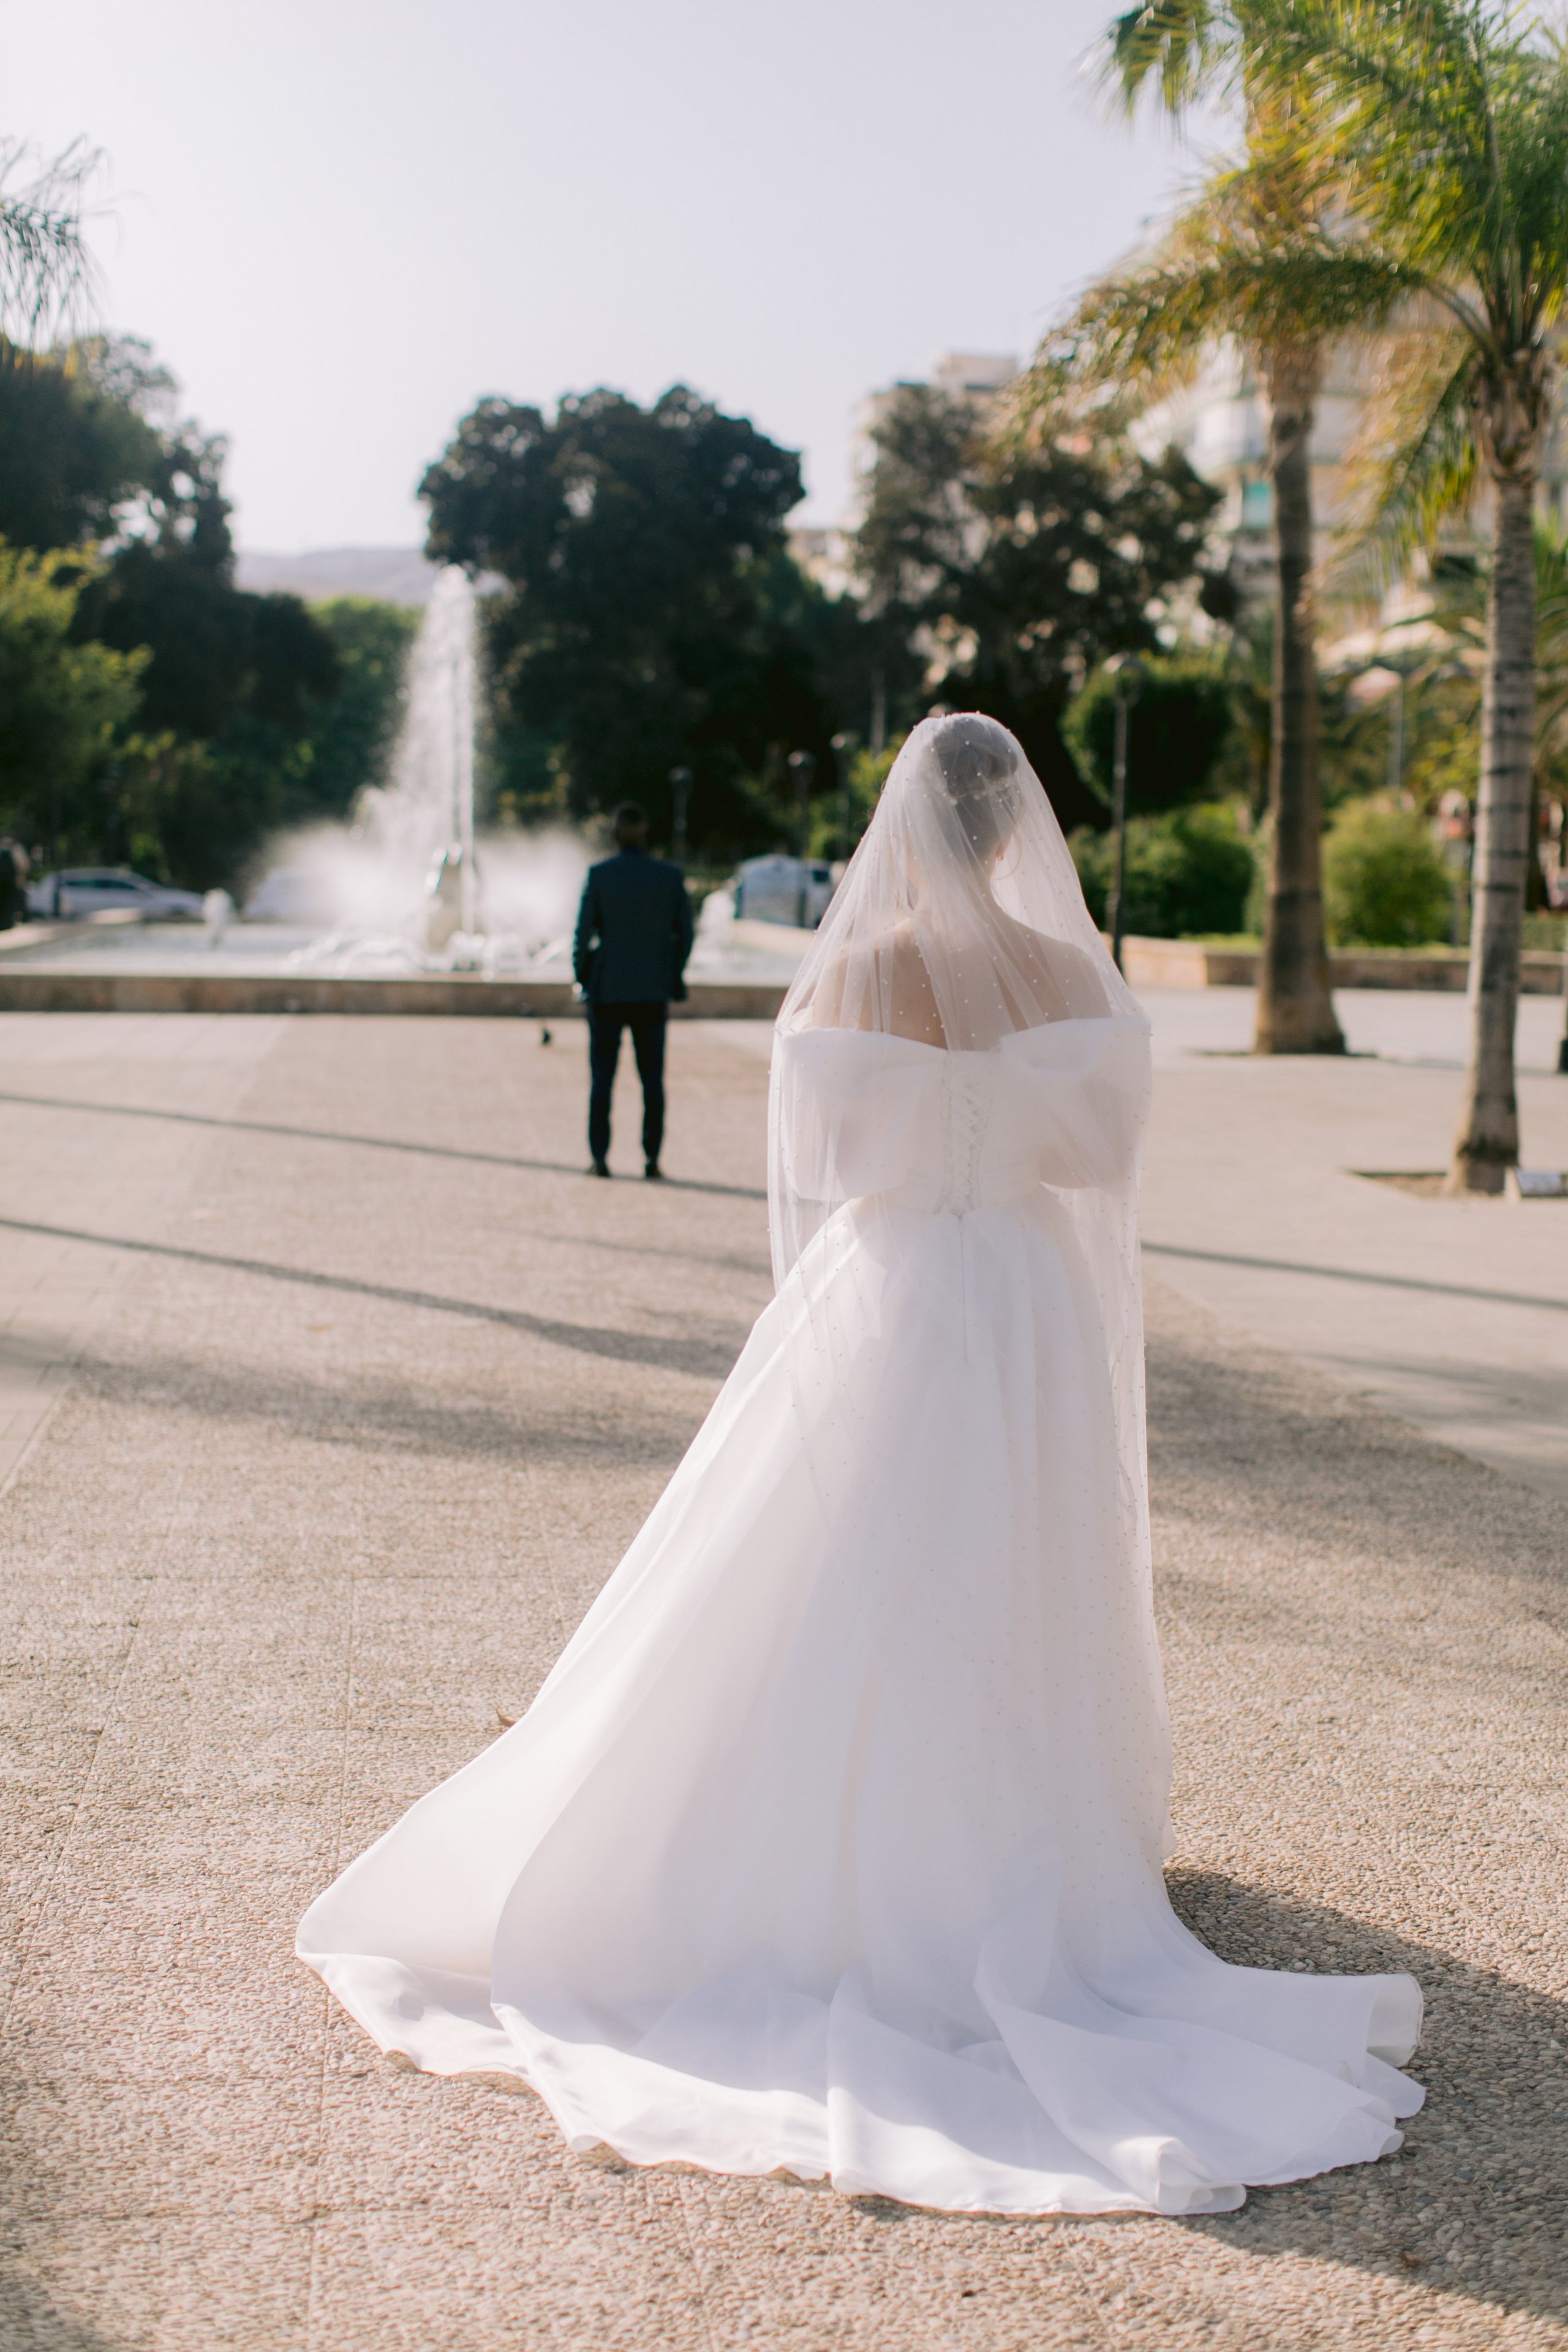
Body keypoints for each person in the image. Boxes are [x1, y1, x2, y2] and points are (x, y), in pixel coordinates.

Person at [299, 714, 1422, 2217]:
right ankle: (1024, 1828)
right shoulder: (1059, 967)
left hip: (894, 1285)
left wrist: (930, 1127)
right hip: (1024, 1291)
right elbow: (1096, 1160)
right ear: (1009, 831)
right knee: (1021, 1551)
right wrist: (1004, 1123)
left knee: (848, 1550)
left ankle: (848, 1833)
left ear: (904, 824)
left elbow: (829, 1156)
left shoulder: (864, 961)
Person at [570, 801, 693, 1180]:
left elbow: (582, 935)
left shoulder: (599, 875)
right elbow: (686, 935)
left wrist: (584, 976)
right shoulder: (670, 876)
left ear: (614, 833)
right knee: (652, 1080)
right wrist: (671, 974)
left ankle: (600, 1159)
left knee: (602, 1080)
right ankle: (651, 1159)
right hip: (652, 991)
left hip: (607, 991)